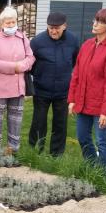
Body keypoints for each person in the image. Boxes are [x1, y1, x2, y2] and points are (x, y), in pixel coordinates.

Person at [68, 9, 106, 169]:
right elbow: (76, 74)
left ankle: (102, 176)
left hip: (101, 106)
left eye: (100, 22)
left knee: (102, 142)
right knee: (83, 137)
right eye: (95, 20)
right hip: (83, 103)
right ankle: (92, 168)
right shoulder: (87, 45)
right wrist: (72, 99)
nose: (95, 24)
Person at [28, 12, 79, 156]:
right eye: (50, 28)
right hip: (41, 89)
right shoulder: (37, 42)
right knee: (38, 122)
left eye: (57, 28)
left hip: (63, 91)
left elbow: (75, 61)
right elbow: (30, 65)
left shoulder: (73, 40)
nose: (53, 31)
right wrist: (41, 75)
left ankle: (56, 154)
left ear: (65, 26)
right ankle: (35, 150)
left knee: (60, 124)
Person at [0, 6, 35, 152]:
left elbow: (31, 56)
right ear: (2, 24)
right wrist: (14, 67)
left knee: (15, 121)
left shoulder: (22, 37)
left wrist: (24, 65)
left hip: (18, 87)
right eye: (7, 22)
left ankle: (14, 151)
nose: (11, 25)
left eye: (13, 22)